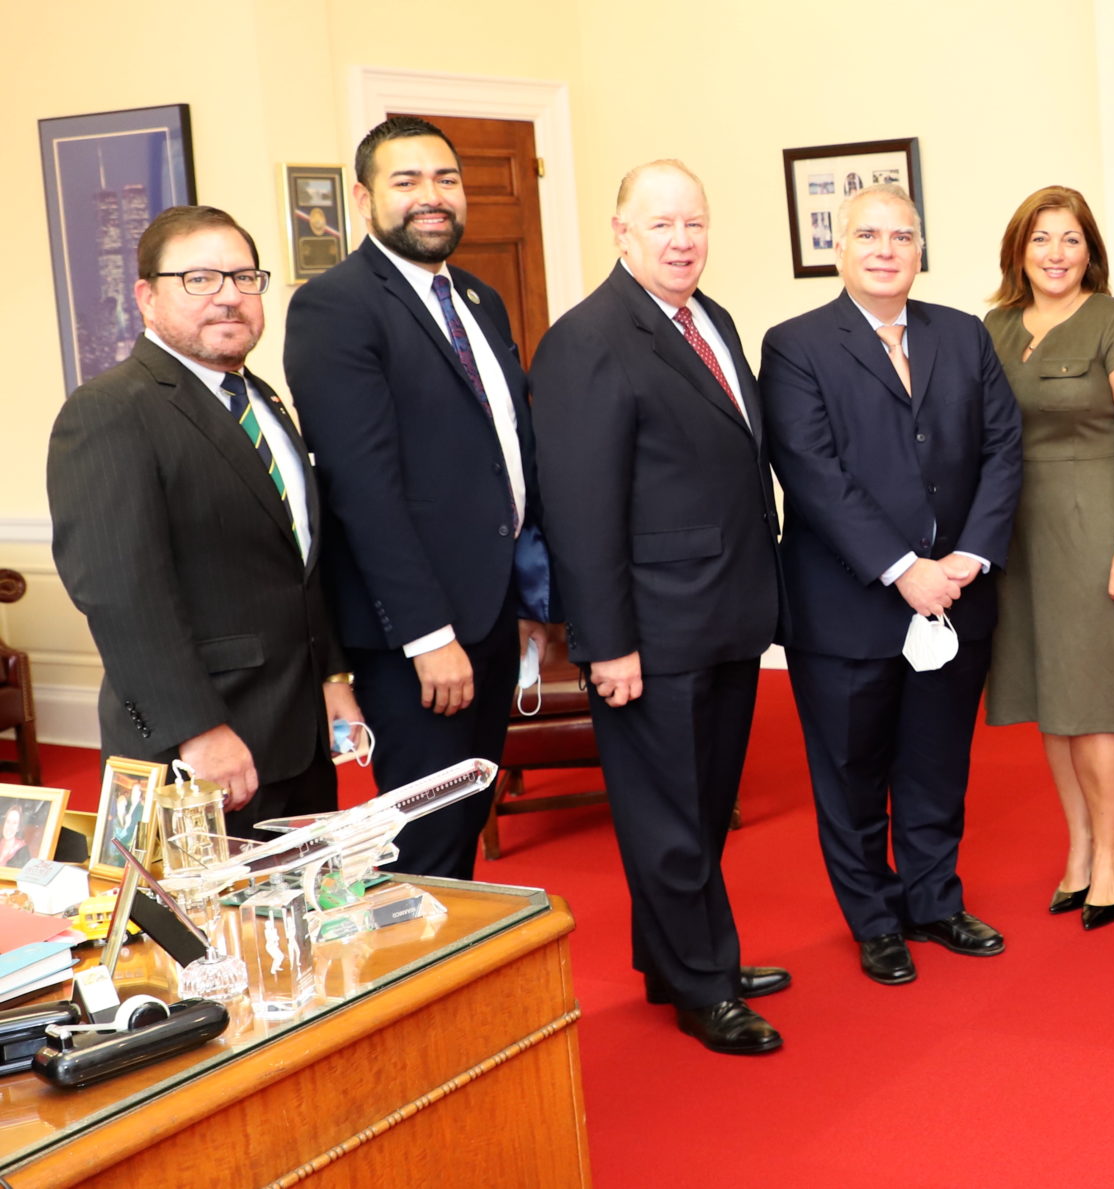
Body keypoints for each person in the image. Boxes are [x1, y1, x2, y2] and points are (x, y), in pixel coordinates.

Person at [530, 161, 788, 1056]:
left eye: (696, 224)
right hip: (648, 633)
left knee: (705, 806)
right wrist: (607, 643)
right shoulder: (587, 340)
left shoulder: (709, 318)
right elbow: (580, 510)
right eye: (663, 225)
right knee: (668, 818)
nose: (683, 241)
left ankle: (674, 955)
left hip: (724, 614)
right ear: (620, 232)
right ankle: (704, 986)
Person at [763, 184, 1023, 986]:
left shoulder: (964, 334)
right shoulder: (795, 345)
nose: (885, 249)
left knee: (936, 762)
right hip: (847, 608)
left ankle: (935, 899)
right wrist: (904, 568)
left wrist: (969, 558)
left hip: (956, 595)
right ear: (839, 248)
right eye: (868, 235)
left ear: (921, 248)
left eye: (901, 236)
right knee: (850, 775)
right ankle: (874, 918)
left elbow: (1003, 449)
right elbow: (812, 473)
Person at [285, 116, 551, 880]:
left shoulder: (478, 298)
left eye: (445, 179)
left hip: (494, 613)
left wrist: (528, 591)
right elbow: (363, 488)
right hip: (420, 636)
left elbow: (506, 457)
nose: (431, 197)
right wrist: (428, 636)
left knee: (464, 823)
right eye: (407, 182)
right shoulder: (336, 307)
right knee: (423, 846)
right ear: (365, 201)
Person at [49, 205, 361, 831]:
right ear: (147, 297)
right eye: (200, 280)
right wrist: (199, 731)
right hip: (199, 753)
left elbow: (296, 562)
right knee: (208, 929)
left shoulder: (264, 400)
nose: (229, 297)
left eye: (245, 278)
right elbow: (120, 598)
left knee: (299, 921)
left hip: (296, 735)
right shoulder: (111, 411)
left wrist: (331, 675)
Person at [979, 185, 1114, 932]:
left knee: (1094, 699)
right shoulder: (995, 326)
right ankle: (1080, 843)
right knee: (1049, 701)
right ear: (1018, 251)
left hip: (1097, 526)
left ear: (1090, 250)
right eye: (1040, 240)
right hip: (1017, 536)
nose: (1055, 254)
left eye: (1070, 239)